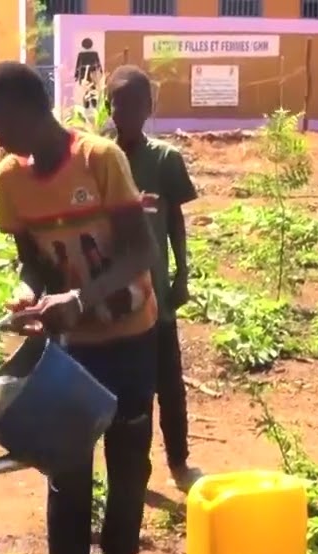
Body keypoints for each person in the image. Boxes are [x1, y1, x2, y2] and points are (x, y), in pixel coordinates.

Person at [0, 61, 159, 554]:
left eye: (1, 128)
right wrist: (32, 293)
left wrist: (81, 298)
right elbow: (32, 258)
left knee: (129, 462)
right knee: (66, 470)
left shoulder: (100, 159)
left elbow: (138, 252)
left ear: (33, 112)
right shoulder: (11, 179)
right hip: (71, 350)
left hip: (129, 335)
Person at [106, 65, 202, 491]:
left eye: (133, 103)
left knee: (169, 385)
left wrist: (182, 274)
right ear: (109, 107)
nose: (124, 111)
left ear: (150, 107)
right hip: (113, 302)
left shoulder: (165, 160)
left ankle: (179, 462)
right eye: (117, 102)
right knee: (130, 392)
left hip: (157, 296)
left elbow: (176, 221)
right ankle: (133, 471)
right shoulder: (100, 160)